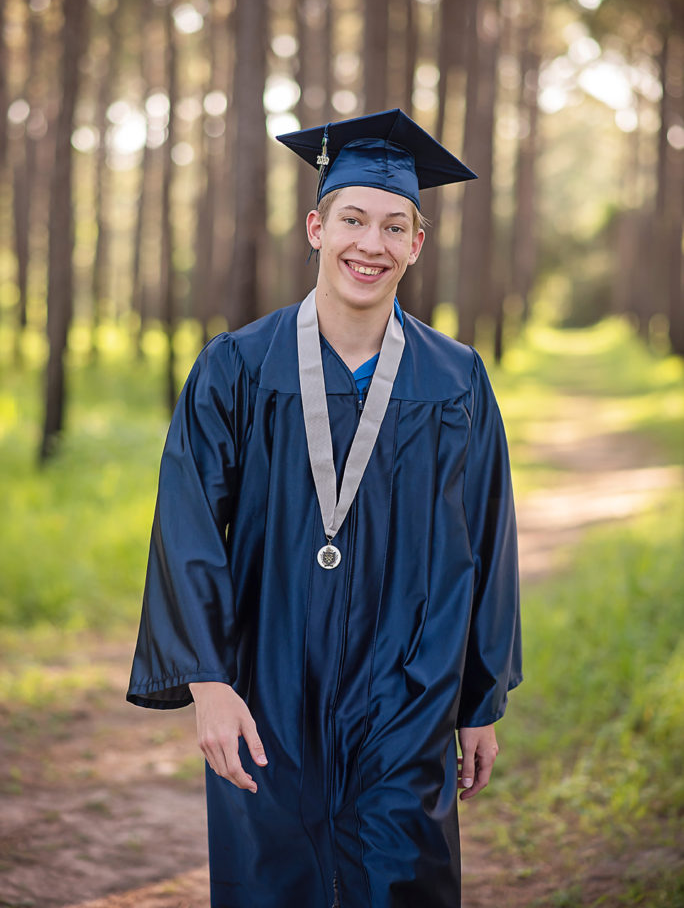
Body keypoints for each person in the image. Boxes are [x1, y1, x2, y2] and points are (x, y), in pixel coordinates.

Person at [127, 108, 522, 908]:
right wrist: (206, 680)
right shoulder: (237, 368)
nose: (368, 245)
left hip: (408, 693)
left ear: (417, 242)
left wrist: (479, 700)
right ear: (316, 227)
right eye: (352, 219)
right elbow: (188, 526)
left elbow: (487, 537)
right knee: (272, 882)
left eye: (392, 226)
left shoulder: (456, 381)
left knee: (400, 882)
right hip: (268, 691)